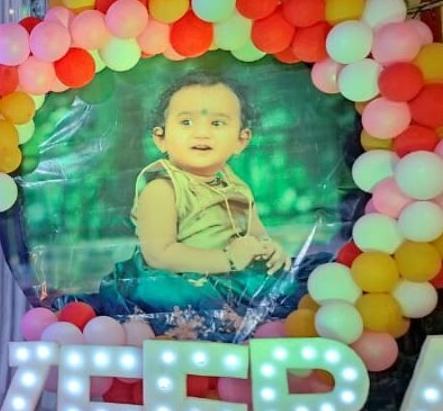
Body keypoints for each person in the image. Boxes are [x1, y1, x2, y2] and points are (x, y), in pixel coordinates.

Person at [98, 73, 302, 337]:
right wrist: (227, 259)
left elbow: (256, 233)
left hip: (229, 273)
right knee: (184, 299)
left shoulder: (236, 187)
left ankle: (251, 321)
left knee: (294, 280)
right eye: (186, 122)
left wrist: (269, 248)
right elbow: (158, 255)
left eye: (217, 123)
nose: (202, 133)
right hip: (179, 276)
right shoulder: (161, 189)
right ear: (161, 138)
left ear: (241, 140)